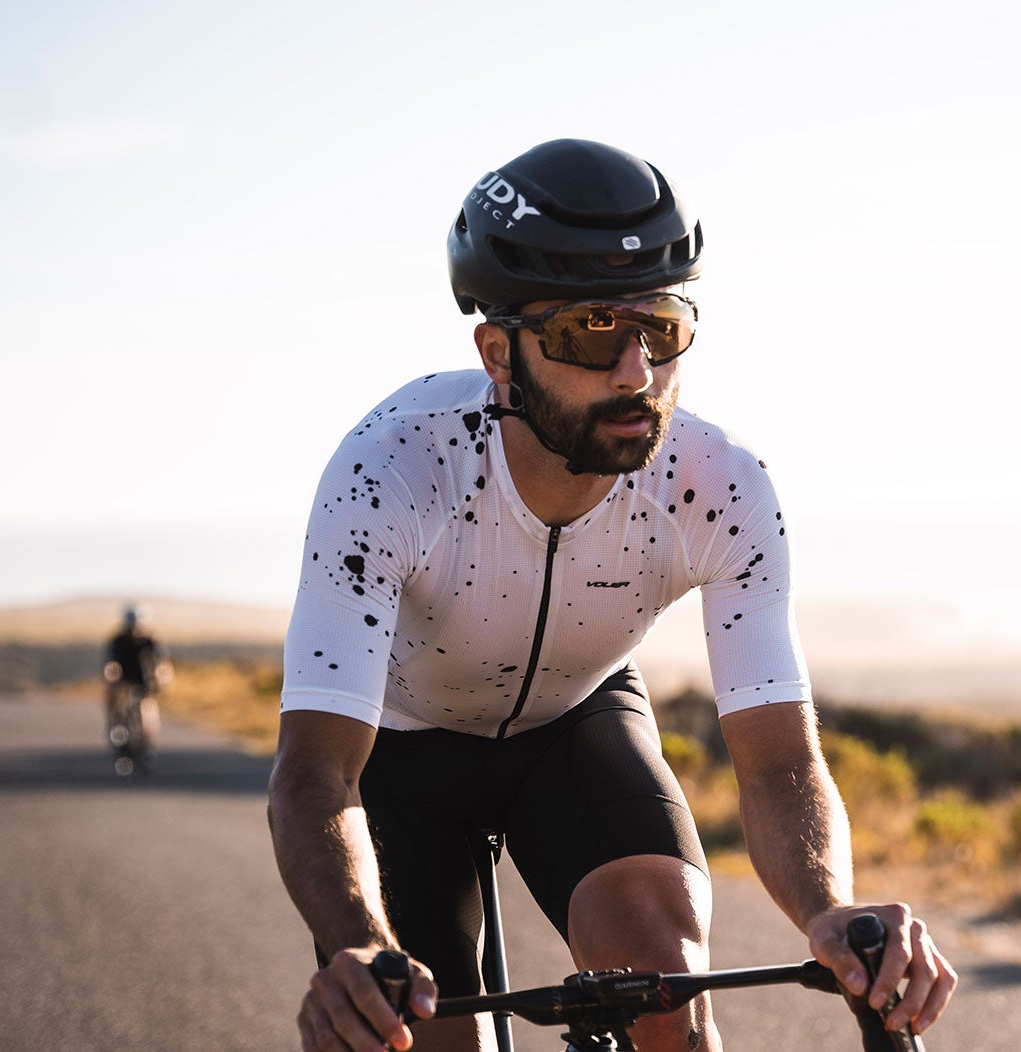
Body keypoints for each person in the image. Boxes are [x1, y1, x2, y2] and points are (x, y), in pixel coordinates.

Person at [267, 139, 956, 1052]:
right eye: (592, 331)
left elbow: (779, 764)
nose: (637, 372)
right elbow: (315, 774)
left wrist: (829, 910)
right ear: (499, 352)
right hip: (395, 751)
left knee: (661, 984)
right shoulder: (390, 471)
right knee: (409, 1032)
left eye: (661, 329)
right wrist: (358, 946)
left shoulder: (719, 485)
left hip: (574, 725)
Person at [101, 604, 166, 758]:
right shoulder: (118, 641)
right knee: (114, 701)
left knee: (148, 709)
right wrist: (111, 679)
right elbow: (111, 663)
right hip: (123, 680)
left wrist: (161, 679)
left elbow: (161, 663)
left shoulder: (150, 641)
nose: (135, 630)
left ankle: (148, 741)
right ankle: (114, 726)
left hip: (144, 681)